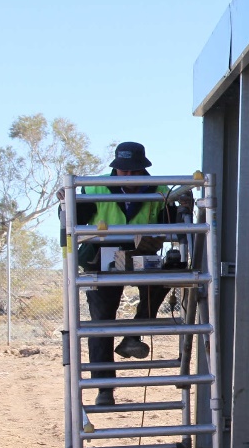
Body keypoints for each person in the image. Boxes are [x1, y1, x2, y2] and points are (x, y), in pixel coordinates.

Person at [71, 141, 173, 406]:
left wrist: (182, 202)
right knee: (101, 320)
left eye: (133, 171)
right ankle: (104, 388)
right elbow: (75, 218)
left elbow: (172, 223)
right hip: (101, 254)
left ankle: (133, 334)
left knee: (162, 282)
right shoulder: (93, 186)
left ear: (142, 170)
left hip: (142, 250)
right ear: (115, 169)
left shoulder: (162, 189)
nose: (126, 176)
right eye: (122, 171)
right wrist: (65, 203)